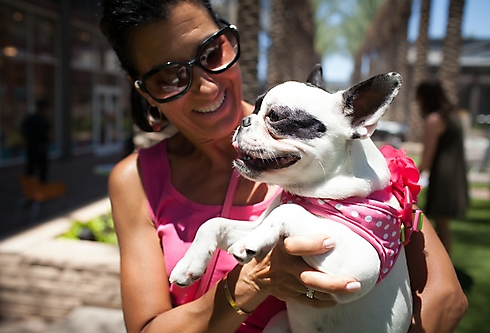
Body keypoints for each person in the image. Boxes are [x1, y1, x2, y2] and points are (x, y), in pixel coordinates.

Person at [101, 1, 467, 332]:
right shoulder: (137, 179)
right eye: (170, 76)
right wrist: (252, 283)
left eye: (212, 53)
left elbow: (446, 298)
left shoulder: (350, 162)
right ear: (145, 92)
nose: (206, 86)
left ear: (231, 41)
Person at [415, 80, 469, 254]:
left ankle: (445, 272)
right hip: (457, 174)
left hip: (443, 178)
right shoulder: (453, 116)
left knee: (441, 225)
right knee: (443, 225)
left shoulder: (434, 120)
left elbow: (427, 160)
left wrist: (404, 176)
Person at [22, 99, 51, 182]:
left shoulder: (30, 119)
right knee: (42, 170)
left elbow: (23, 131)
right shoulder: (44, 120)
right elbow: (48, 135)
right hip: (41, 148)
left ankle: (29, 188)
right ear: (44, 108)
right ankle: (41, 188)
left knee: (30, 169)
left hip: (31, 147)